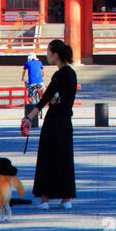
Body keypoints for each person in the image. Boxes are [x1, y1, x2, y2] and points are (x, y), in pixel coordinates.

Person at [21, 39, 77, 208]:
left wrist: (29, 116)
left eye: (48, 53)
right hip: (66, 121)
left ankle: (45, 198)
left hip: (53, 122)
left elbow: (46, 97)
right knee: (65, 158)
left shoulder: (59, 74)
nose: (47, 56)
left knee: (48, 158)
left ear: (56, 55)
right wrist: (55, 99)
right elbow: (59, 97)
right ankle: (66, 198)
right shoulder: (72, 73)